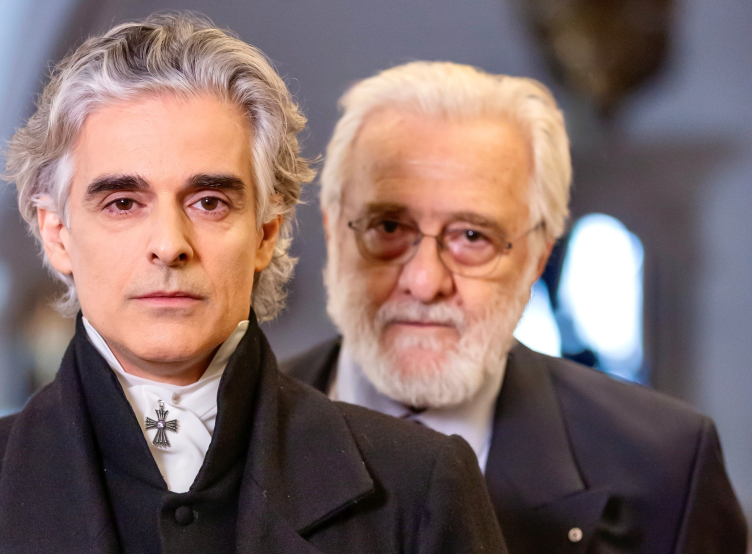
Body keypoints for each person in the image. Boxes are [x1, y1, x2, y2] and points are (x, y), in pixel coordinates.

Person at [0, 14, 509, 554]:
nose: (169, 243)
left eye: (209, 202)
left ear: (266, 232)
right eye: (123, 203)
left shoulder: (420, 489)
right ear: (56, 234)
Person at [282, 61, 748, 553]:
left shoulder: (667, 468)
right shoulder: (231, 428)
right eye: (389, 227)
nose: (424, 282)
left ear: (537, 256)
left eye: (472, 236)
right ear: (333, 230)